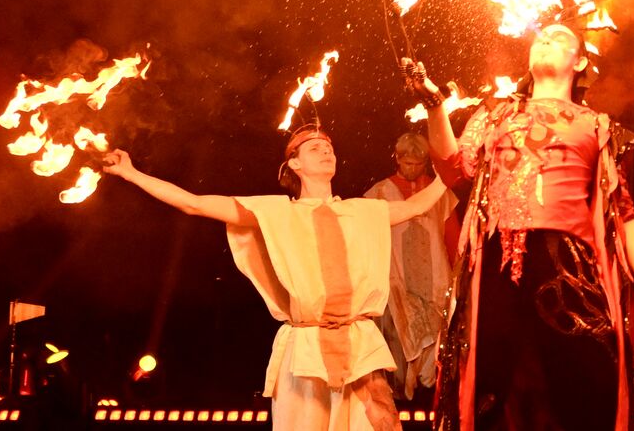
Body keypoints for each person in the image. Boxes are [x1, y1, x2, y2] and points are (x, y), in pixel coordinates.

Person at [406, 22, 634, 431]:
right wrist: (434, 106)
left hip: (570, 266)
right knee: (493, 392)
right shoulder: (495, 113)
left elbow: (624, 216)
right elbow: (454, 170)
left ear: (581, 62)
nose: (547, 40)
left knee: (586, 387)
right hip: (499, 261)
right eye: (542, 37)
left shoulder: (597, 125)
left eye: (561, 38)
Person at [103, 124, 451, 430]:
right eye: (314, 147)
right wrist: (132, 173)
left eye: (328, 147)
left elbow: (420, 204)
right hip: (305, 351)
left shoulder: (363, 211)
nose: (325, 150)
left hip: (361, 346)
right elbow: (193, 203)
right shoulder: (275, 212)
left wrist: (461, 160)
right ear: (294, 165)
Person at [364, 132, 458, 401]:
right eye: (408, 164)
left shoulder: (439, 193)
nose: (413, 170)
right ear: (398, 159)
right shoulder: (378, 194)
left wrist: (459, 273)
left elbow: (453, 237)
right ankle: (400, 402)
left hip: (436, 279)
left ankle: (431, 399)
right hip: (395, 279)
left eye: (419, 164)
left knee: (436, 337)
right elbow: (367, 238)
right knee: (397, 339)